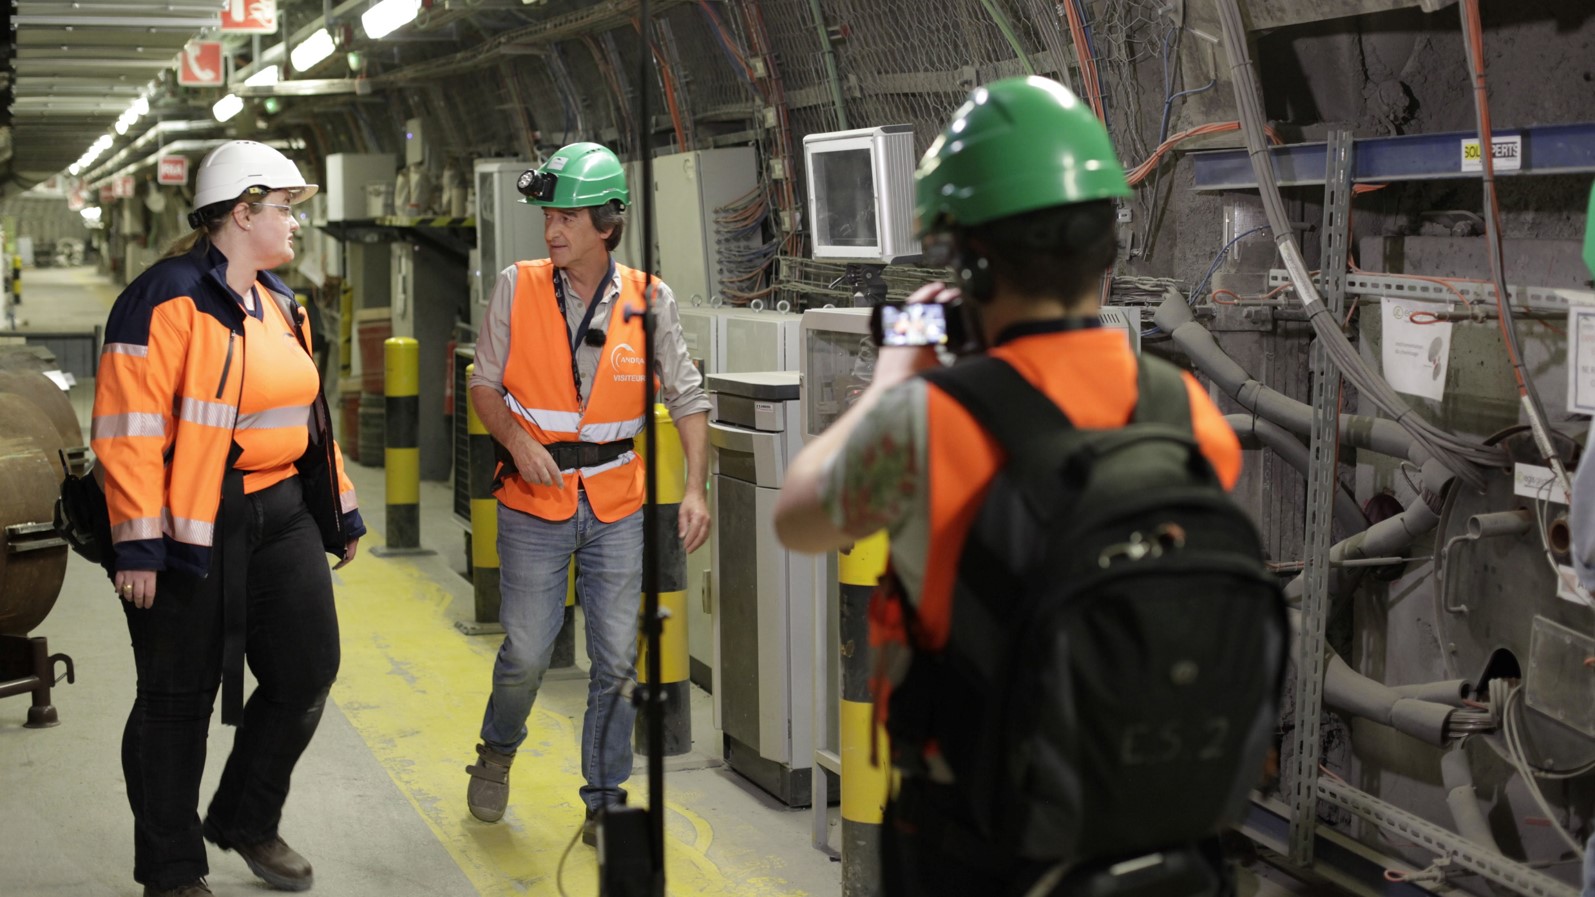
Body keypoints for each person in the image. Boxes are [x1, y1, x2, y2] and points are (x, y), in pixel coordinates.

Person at [772, 77, 1246, 895]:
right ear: (1105, 244)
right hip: (1158, 826)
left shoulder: (930, 421)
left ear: (967, 262)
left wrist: (893, 379)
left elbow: (799, 517)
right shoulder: (1185, 409)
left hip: (985, 841)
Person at [93, 139, 365, 897]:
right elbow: (128, 430)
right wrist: (138, 545)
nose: (294, 223)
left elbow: (308, 418)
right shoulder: (164, 299)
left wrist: (335, 513)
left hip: (281, 516)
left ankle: (245, 817)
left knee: (307, 669)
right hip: (191, 521)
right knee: (176, 698)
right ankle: (172, 869)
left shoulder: (280, 301)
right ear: (242, 213)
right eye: (283, 208)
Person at [463, 142, 711, 843]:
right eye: (548, 215)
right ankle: (497, 748)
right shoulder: (516, 284)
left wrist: (695, 487)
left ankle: (604, 797)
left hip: (616, 505)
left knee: (613, 659)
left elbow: (687, 397)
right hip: (533, 503)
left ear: (606, 221)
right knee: (530, 651)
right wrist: (517, 441)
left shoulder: (648, 298)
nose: (551, 230)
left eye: (567, 217)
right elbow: (484, 383)